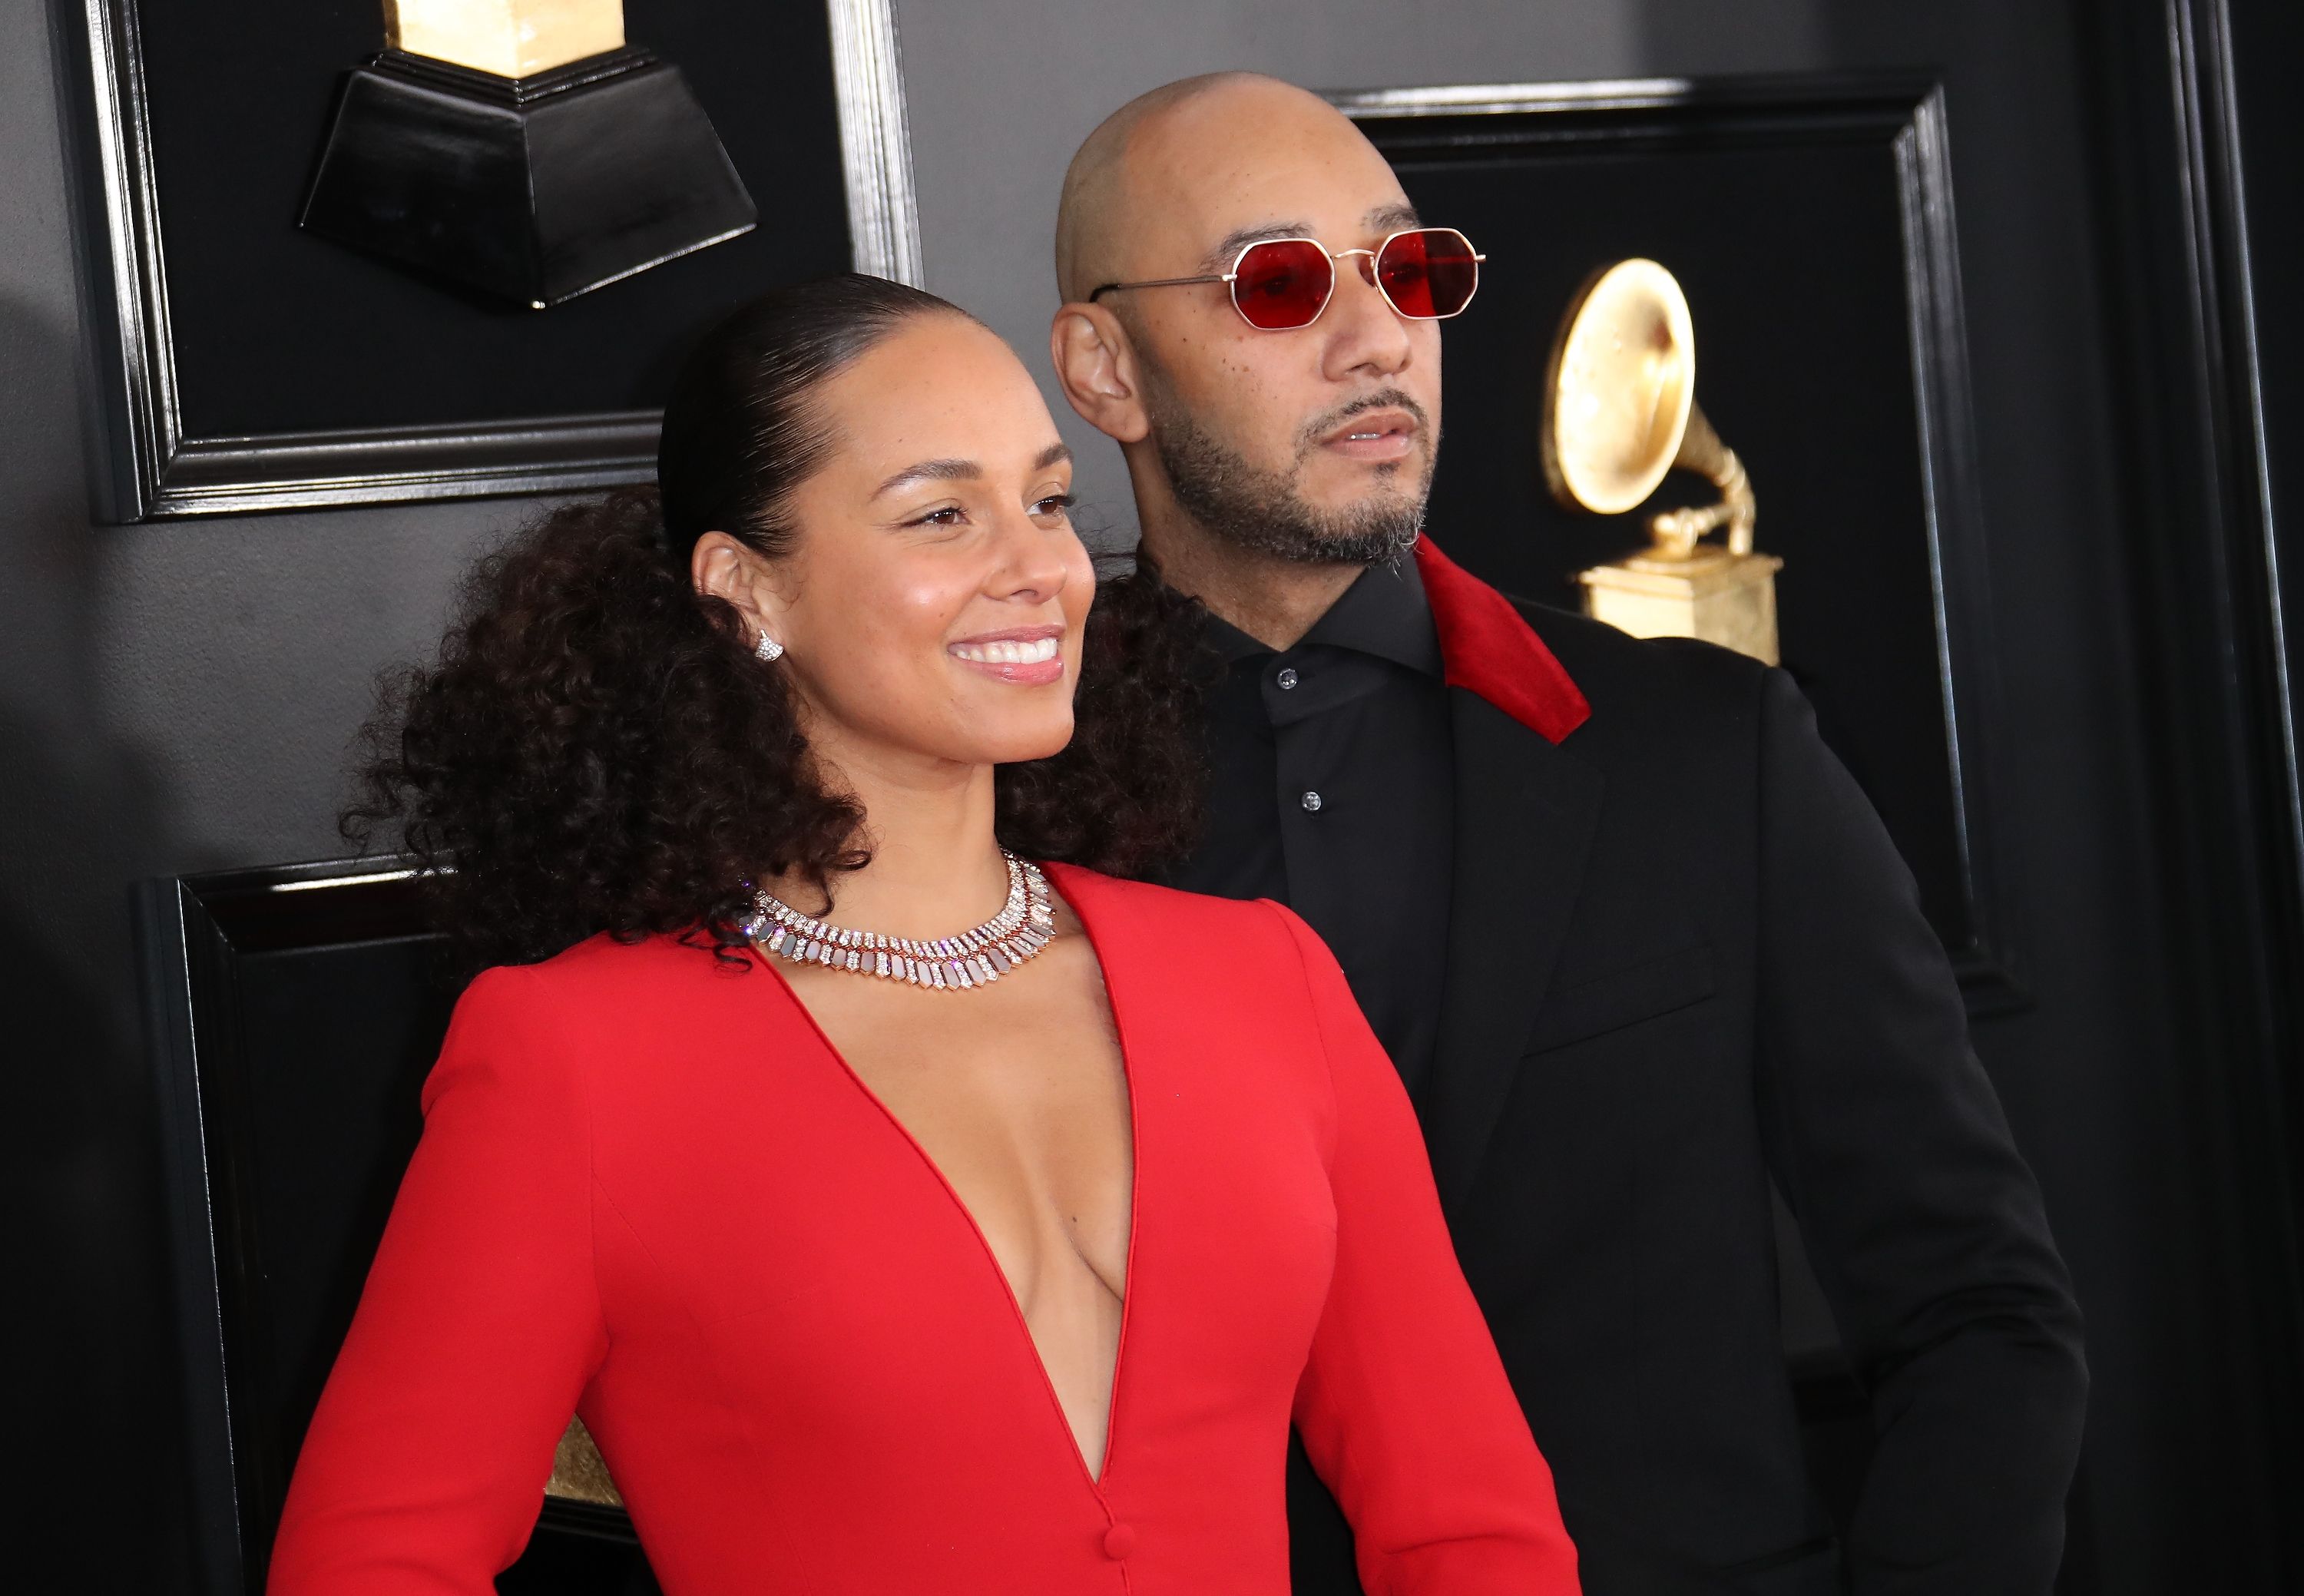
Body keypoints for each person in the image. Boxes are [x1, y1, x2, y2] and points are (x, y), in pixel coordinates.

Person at [266, 274, 1581, 1595]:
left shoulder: (1261, 978)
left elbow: (1473, 1527)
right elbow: (373, 1560)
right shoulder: (577, 1056)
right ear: (744, 592)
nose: (1041, 568)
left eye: (1051, 501)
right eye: (943, 514)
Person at [1048, 74, 2087, 1596]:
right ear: (1105, 368)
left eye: (1412, 270)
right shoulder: (994, 804)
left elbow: (1980, 1305)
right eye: (1278, 284)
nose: (1376, 337)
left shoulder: (1711, 754)